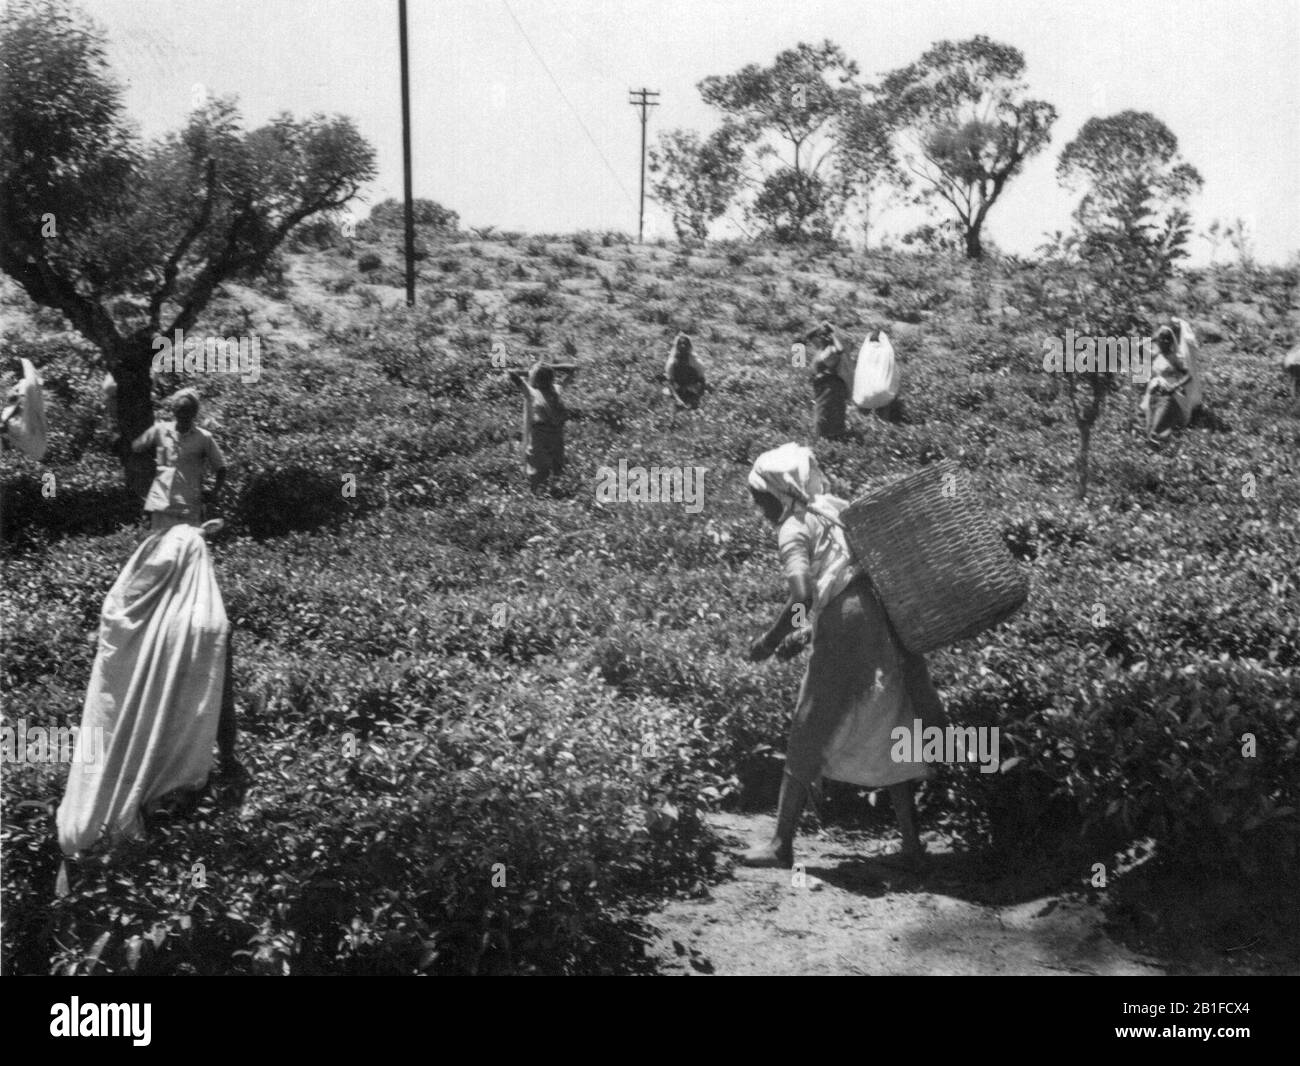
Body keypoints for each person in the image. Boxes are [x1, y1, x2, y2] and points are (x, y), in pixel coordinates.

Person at [741, 443, 944, 870]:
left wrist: (772, 639)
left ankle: (781, 844)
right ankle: (911, 843)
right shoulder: (835, 509)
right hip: (876, 613)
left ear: (777, 492)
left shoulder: (793, 526)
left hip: (844, 623)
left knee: (809, 722)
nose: (757, 505)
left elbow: (803, 594)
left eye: (759, 496)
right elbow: (847, 577)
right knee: (888, 714)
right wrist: (811, 626)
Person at [57, 523, 234, 855]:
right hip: (173, 772)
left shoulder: (121, 616)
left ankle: (92, 838)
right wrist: (229, 759)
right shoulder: (209, 625)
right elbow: (223, 700)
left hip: (111, 754)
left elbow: (103, 701)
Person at [131, 388, 227, 530]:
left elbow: (221, 468)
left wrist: (214, 493)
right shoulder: (160, 430)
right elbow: (136, 447)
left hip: (188, 507)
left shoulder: (203, 438)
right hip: (161, 505)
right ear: (174, 411)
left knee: (185, 548)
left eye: (187, 412)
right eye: (180, 411)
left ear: (194, 414)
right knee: (161, 549)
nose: (183, 416)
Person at [508, 361, 577, 492]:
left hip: (550, 436)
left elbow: (512, 373)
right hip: (547, 436)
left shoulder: (548, 390)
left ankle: (548, 496)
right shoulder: (544, 390)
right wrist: (541, 368)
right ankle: (540, 497)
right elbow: (573, 369)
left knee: (552, 469)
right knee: (544, 470)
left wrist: (539, 368)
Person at [1140, 320, 1202, 445]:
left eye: (1168, 339)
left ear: (1172, 341)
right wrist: (1154, 338)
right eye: (1162, 339)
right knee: (1149, 427)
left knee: (1157, 428)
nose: (1165, 342)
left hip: (1170, 394)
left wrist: (1173, 387)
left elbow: (1189, 376)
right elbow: (1139, 347)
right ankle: (1156, 439)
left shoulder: (1176, 358)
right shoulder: (1156, 356)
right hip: (1154, 394)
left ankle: (1158, 438)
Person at [806, 322, 849, 440]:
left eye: (826, 335)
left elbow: (840, 350)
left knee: (827, 413)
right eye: (821, 335)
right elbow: (808, 335)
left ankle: (831, 439)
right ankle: (824, 439)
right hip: (820, 387)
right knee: (821, 413)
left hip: (830, 388)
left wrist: (833, 334)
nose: (823, 337)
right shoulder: (821, 348)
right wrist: (821, 325)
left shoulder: (831, 350)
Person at [664, 333, 706, 410]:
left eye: (685, 344)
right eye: (680, 343)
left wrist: (697, 397)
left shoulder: (695, 361)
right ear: (677, 346)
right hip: (678, 389)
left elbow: (702, 381)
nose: (683, 346)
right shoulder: (672, 362)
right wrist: (677, 399)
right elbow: (670, 383)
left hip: (693, 388)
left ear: (689, 346)